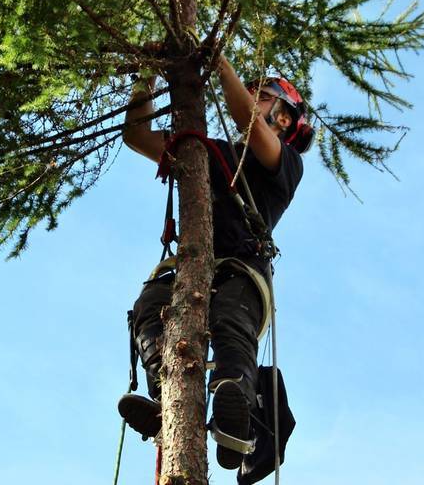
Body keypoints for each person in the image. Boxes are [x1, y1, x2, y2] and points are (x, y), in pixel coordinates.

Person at [118, 53, 312, 470]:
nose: (253, 97)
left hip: (242, 269)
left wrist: (220, 63)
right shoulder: (203, 151)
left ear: (282, 120)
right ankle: (162, 398)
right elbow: (137, 136)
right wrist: (148, 72)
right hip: (188, 268)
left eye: (263, 96)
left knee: (228, 321)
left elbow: (247, 120)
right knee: (150, 307)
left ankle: (235, 410)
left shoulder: (285, 165)